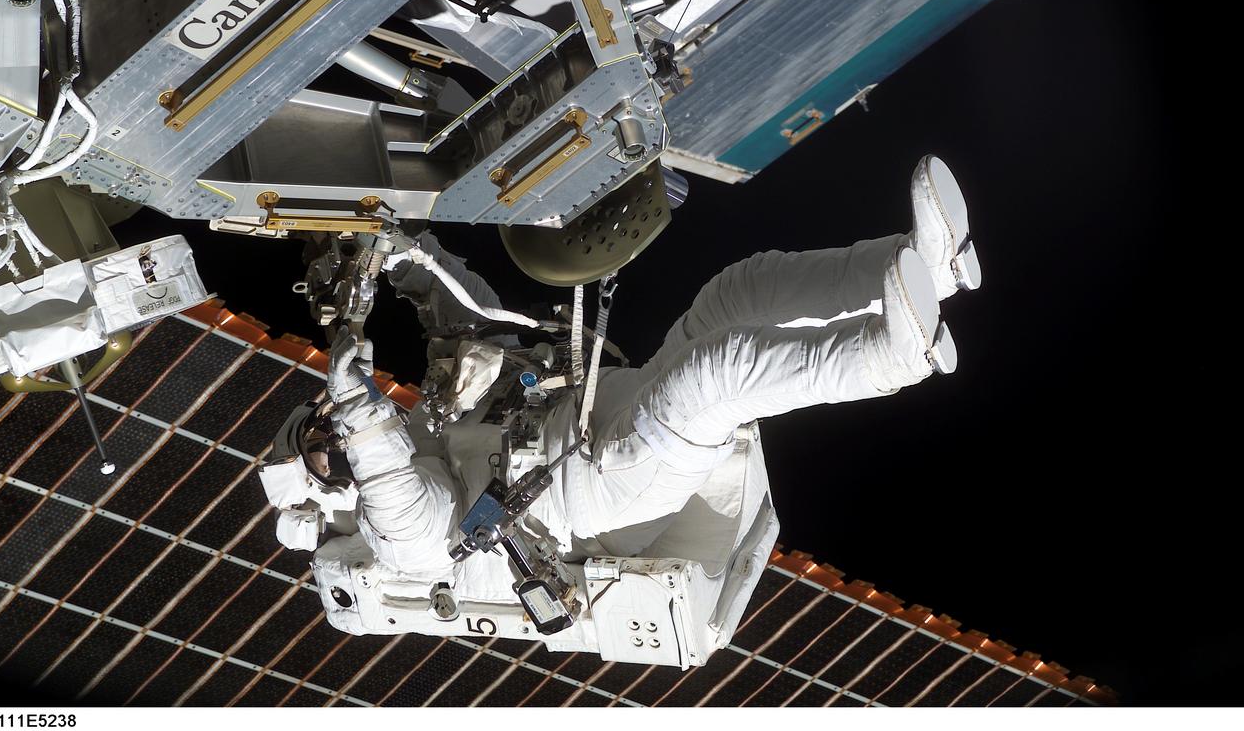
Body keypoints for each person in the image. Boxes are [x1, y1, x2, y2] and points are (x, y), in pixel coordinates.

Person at [324, 155, 981, 583]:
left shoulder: (425, 424)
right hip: (596, 489)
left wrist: (397, 254)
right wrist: (356, 410)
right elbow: (402, 500)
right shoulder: (395, 543)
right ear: (328, 492)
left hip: (605, 406)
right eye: (324, 454)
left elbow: (462, 312)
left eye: (318, 427)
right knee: (718, 376)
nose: (331, 441)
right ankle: (891, 355)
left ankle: (929, 265)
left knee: (736, 293)